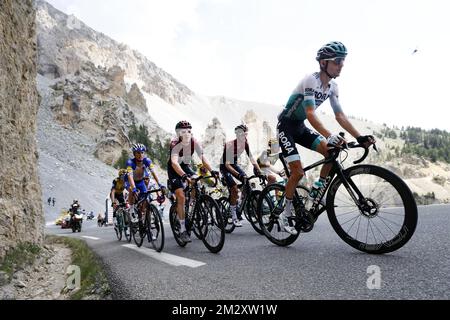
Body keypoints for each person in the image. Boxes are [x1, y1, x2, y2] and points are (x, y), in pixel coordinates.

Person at [276, 41, 376, 235]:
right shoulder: (310, 80)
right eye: (338, 61)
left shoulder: (332, 87)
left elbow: (340, 116)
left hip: (300, 127)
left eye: (343, 62)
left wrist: (360, 136)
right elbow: (311, 113)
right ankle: (285, 214)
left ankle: (318, 188)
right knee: (297, 173)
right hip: (286, 126)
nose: (341, 66)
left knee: (331, 151)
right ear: (323, 63)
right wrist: (329, 135)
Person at [167, 120, 219, 243]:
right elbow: (174, 162)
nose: (186, 134)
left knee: (197, 181)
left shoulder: (194, 142)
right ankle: (183, 229)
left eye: (188, 131)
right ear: (178, 133)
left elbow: (203, 158)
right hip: (174, 169)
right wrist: (184, 176)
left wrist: (212, 171)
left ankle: (191, 205)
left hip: (185, 166)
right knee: (180, 196)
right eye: (183, 131)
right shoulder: (174, 143)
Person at [220, 124, 263, 227]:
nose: (245, 136)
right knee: (234, 188)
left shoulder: (245, 143)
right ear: (238, 134)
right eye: (243, 134)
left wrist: (260, 171)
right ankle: (234, 216)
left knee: (246, 181)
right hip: (225, 167)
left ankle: (239, 203)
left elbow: (252, 158)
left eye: (246, 134)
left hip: (233, 164)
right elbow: (227, 165)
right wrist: (238, 175)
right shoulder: (230, 145)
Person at [126, 144, 165, 223]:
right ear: (134, 154)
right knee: (131, 190)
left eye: (142, 152)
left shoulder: (147, 161)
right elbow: (130, 176)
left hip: (140, 182)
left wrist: (160, 184)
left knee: (145, 200)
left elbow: (153, 173)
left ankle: (142, 217)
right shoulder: (130, 162)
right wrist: (133, 188)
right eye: (138, 153)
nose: (140, 155)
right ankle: (132, 209)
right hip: (130, 182)